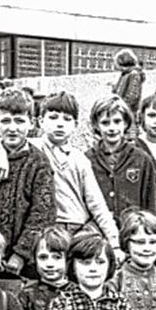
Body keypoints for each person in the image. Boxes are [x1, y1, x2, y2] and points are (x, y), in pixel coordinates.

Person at [0, 87, 55, 277]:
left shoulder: (39, 162)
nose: (12, 128)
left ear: (32, 123)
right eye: (5, 121)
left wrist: (20, 254)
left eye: (20, 121)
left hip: (24, 261)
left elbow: (42, 213)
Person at [32, 91, 120, 252]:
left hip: (77, 229)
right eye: (53, 118)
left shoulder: (80, 159)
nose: (60, 124)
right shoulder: (32, 149)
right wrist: (0, 154)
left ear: (75, 125)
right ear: (40, 121)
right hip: (46, 228)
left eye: (67, 119)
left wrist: (114, 242)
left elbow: (97, 203)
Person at [85, 95, 156, 220]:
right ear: (96, 125)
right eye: (105, 123)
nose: (112, 128)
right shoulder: (87, 160)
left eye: (117, 121)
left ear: (125, 123)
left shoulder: (141, 159)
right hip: (98, 231)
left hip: (133, 231)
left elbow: (150, 202)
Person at [111, 48, 145, 119]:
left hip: (129, 111)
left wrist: (123, 106)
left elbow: (132, 95)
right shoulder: (124, 74)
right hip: (122, 109)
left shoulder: (134, 74)